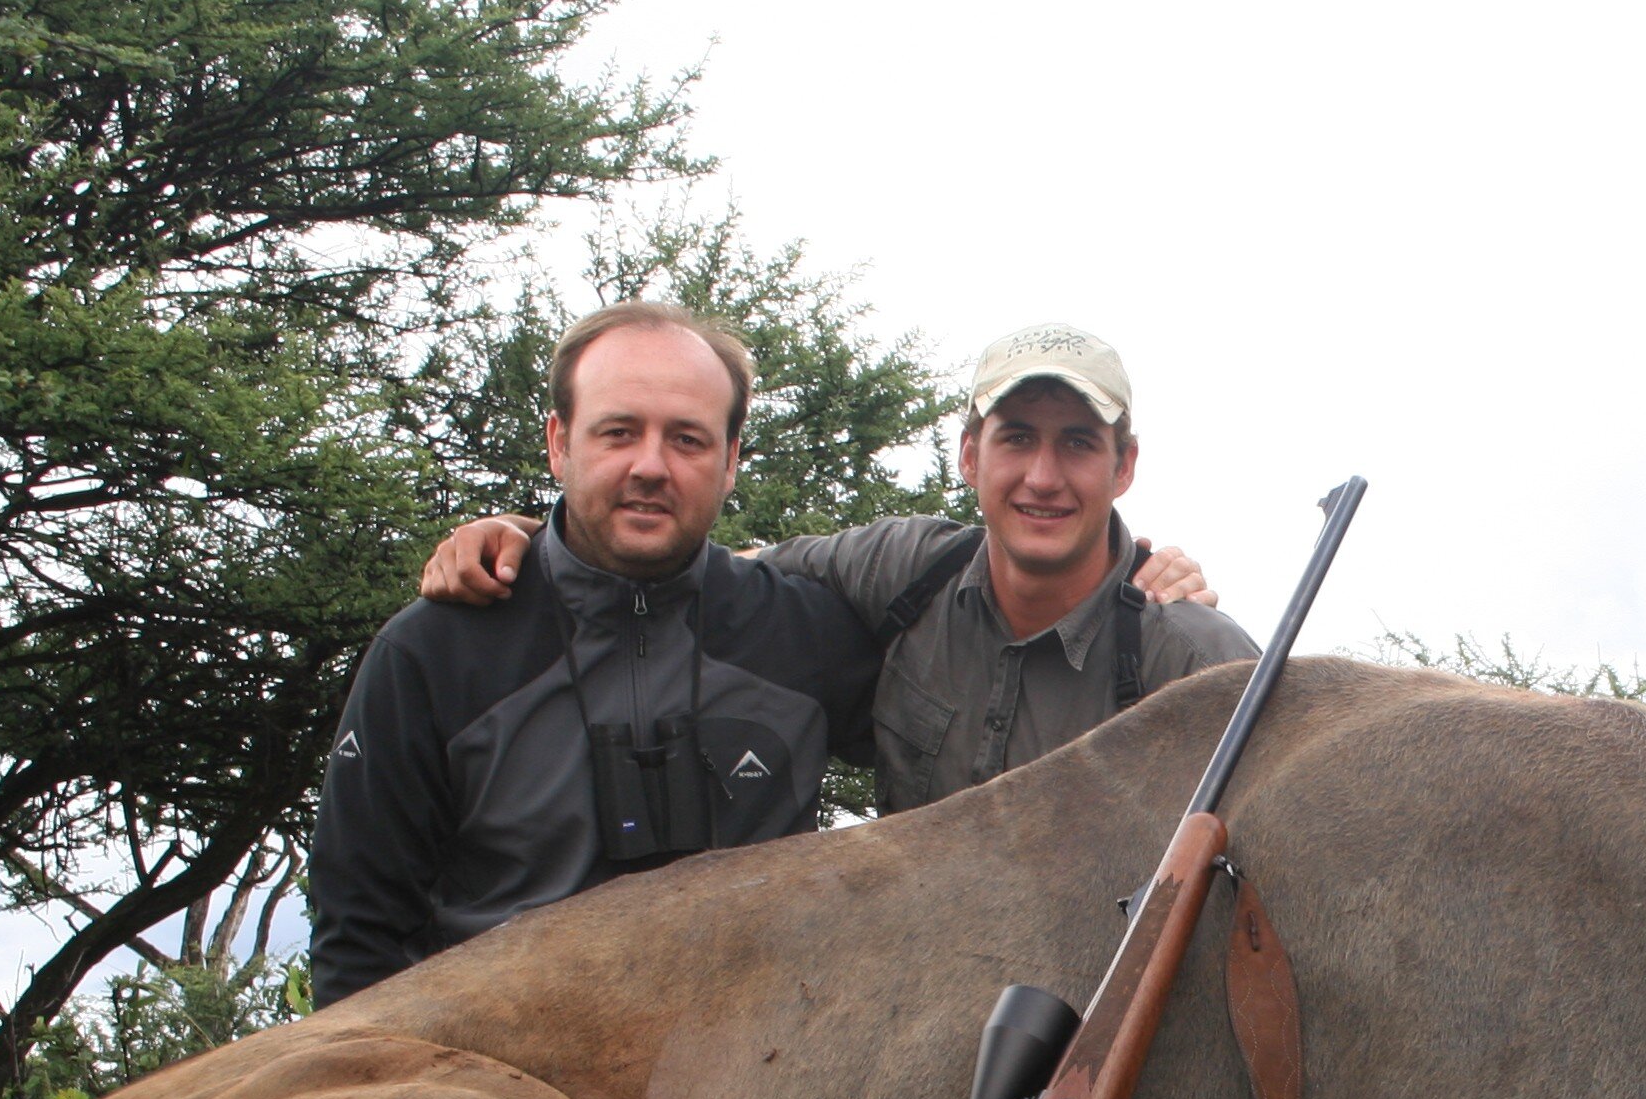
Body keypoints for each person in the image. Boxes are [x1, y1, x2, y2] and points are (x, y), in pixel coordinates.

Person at [414, 322, 1257, 813]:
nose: (1042, 477)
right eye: (1017, 439)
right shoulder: (906, 569)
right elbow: (693, 567)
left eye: (1078, 443)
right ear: (969, 456)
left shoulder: (1189, 652)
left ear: (1125, 467)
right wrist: (535, 532)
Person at [308, 302, 891, 1004]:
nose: (651, 466)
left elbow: (959, 727)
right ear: (559, 443)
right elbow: (357, 941)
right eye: (618, 433)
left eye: (688, 440)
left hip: (750, 1083)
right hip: (499, 1087)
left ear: (732, 460)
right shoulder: (433, 651)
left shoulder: (805, 634)